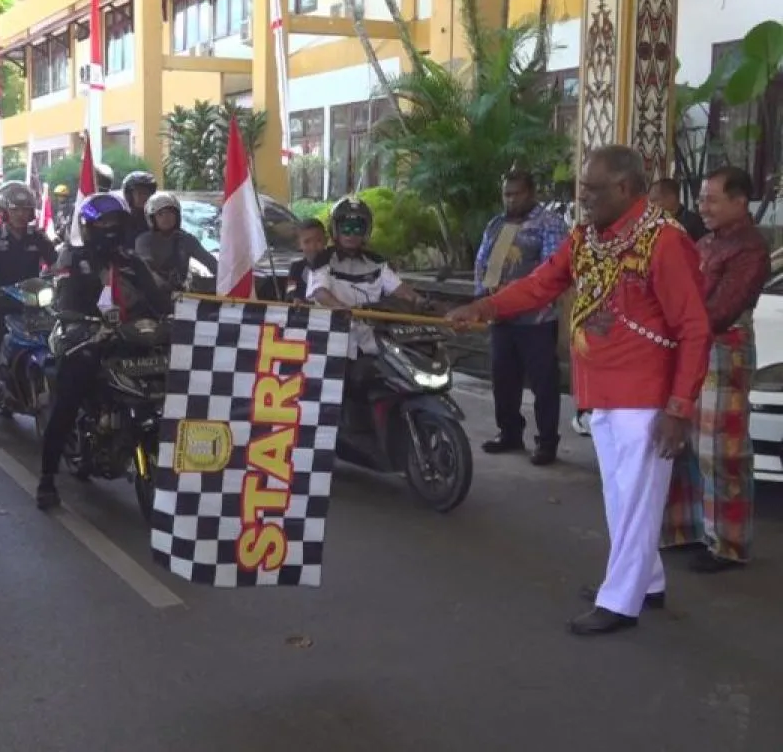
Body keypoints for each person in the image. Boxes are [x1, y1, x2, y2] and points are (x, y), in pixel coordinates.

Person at [447, 145, 712, 636]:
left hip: (646, 394)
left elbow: (694, 329)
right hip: (600, 388)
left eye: (591, 189)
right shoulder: (587, 237)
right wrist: (485, 308)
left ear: (624, 188)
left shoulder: (665, 241)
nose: (582, 197)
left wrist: (679, 407)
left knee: (637, 500)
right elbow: (540, 284)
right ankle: (646, 581)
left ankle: (621, 601)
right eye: (581, 188)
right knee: (621, 495)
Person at [662, 166, 770, 573]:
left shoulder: (751, 249)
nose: (702, 207)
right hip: (692, 345)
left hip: (724, 350)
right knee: (685, 442)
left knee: (721, 449)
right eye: (702, 199)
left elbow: (722, 310)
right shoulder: (706, 242)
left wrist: (676, 327)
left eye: (712, 200)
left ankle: (728, 544)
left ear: (740, 202)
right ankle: (686, 529)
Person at [37, 193, 171, 510]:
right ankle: (46, 479)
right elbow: (66, 301)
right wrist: (85, 325)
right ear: (88, 227)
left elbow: (158, 300)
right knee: (67, 403)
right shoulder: (72, 258)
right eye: (104, 222)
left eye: (116, 221)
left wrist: (174, 312)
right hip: (85, 338)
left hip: (129, 339)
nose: (110, 228)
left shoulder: (131, 260)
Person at [473, 171, 570, 465]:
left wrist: (515, 292)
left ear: (531, 193)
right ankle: (509, 433)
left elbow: (552, 270)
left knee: (543, 383)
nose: (511, 200)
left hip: (536, 321)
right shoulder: (496, 223)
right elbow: (482, 261)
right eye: (507, 194)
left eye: (517, 194)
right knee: (503, 380)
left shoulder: (549, 223)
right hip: (501, 318)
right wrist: (481, 298)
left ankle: (547, 442)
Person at [307, 196, 436, 375]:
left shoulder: (376, 262)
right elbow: (320, 292)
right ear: (336, 229)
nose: (351, 234)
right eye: (346, 228)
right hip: (333, 342)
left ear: (366, 231)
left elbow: (400, 289)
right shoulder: (323, 260)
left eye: (357, 228)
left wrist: (421, 301)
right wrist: (343, 309)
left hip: (371, 343)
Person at [0, 181, 57, 379]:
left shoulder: (38, 237)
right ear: (4, 211)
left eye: (26, 209)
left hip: (34, 304)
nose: (21, 214)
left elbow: (57, 266)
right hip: (0, 304)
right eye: (15, 209)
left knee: (57, 341)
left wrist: (62, 279)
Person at [134, 191, 217, 288]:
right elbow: (146, 270)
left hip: (180, 293)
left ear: (177, 216)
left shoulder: (186, 239)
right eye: (160, 214)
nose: (166, 217)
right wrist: (162, 285)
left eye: (170, 212)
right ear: (152, 218)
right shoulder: (144, 241)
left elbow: (211, 262)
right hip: (151, 292)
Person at [649, 177, 707, 242]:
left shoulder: (695, 223)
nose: (651, 205)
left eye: (655, 200)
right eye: (650, 201)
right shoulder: (654, 224)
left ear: (671, 198)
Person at [285, 220, 329, 302]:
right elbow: (290, 290)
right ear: (299, 244)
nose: (313, 246)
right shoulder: (296, 267)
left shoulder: (332, 265)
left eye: (318, 240)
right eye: (307, 242)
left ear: (326, 240)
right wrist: (295, 298)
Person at [120, 171, 158, 248]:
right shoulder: (121, 219)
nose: (144, 197)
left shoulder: (158, 218)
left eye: (146, 193)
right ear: (129, 195)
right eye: (140, 192)